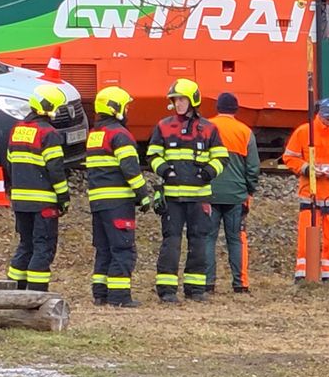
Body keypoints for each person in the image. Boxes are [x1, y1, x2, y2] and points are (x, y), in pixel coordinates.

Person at [145, 78, 229, 303]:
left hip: (199, 198)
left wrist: (208, 173)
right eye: (175, 99)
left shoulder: (209, 129)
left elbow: (221, 157)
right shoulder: (163, 126)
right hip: (172, 197)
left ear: (193, 100)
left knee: (199, 242)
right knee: (171, 242)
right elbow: (152, 154)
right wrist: (164, 171)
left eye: (182, 99)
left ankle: (195, 289)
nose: (178, 103)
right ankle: (167, 290)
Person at [86, 86, 152, 308]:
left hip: (98, 203)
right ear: (116, 108)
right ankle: (119, 297)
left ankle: (100, 294)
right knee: (123, 249)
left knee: (104, 249)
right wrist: (143, 195)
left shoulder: (95, 135)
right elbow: (131, 170)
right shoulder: (121, 135)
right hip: (118, 203)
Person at [6, 83, 71, 291]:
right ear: (48, 108)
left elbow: (9, 162)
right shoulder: (48, 133)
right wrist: (63, 196)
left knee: (26, 244)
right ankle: (36, 293)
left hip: (20, 201)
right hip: (43, 202)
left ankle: (14, 290)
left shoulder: (17, 130)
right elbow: (56, 169)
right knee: (43, 246)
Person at [281, 98, 329, 283]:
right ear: (319, 114)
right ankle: (303, 275)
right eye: (327, 119)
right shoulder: (304, 132)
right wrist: (307, 169)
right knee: (306, 236)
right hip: (309, 193)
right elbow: (289, 158)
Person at [207, 92, 260, 294]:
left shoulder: (207, 127)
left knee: (207, 238)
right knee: (236, 239)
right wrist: (249, 189)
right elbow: (253, 167)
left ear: (217, 107)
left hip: (209, 194)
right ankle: (240, 284)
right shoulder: (245, 131)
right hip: (236, 196)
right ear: (236, 109)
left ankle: (207, 283)